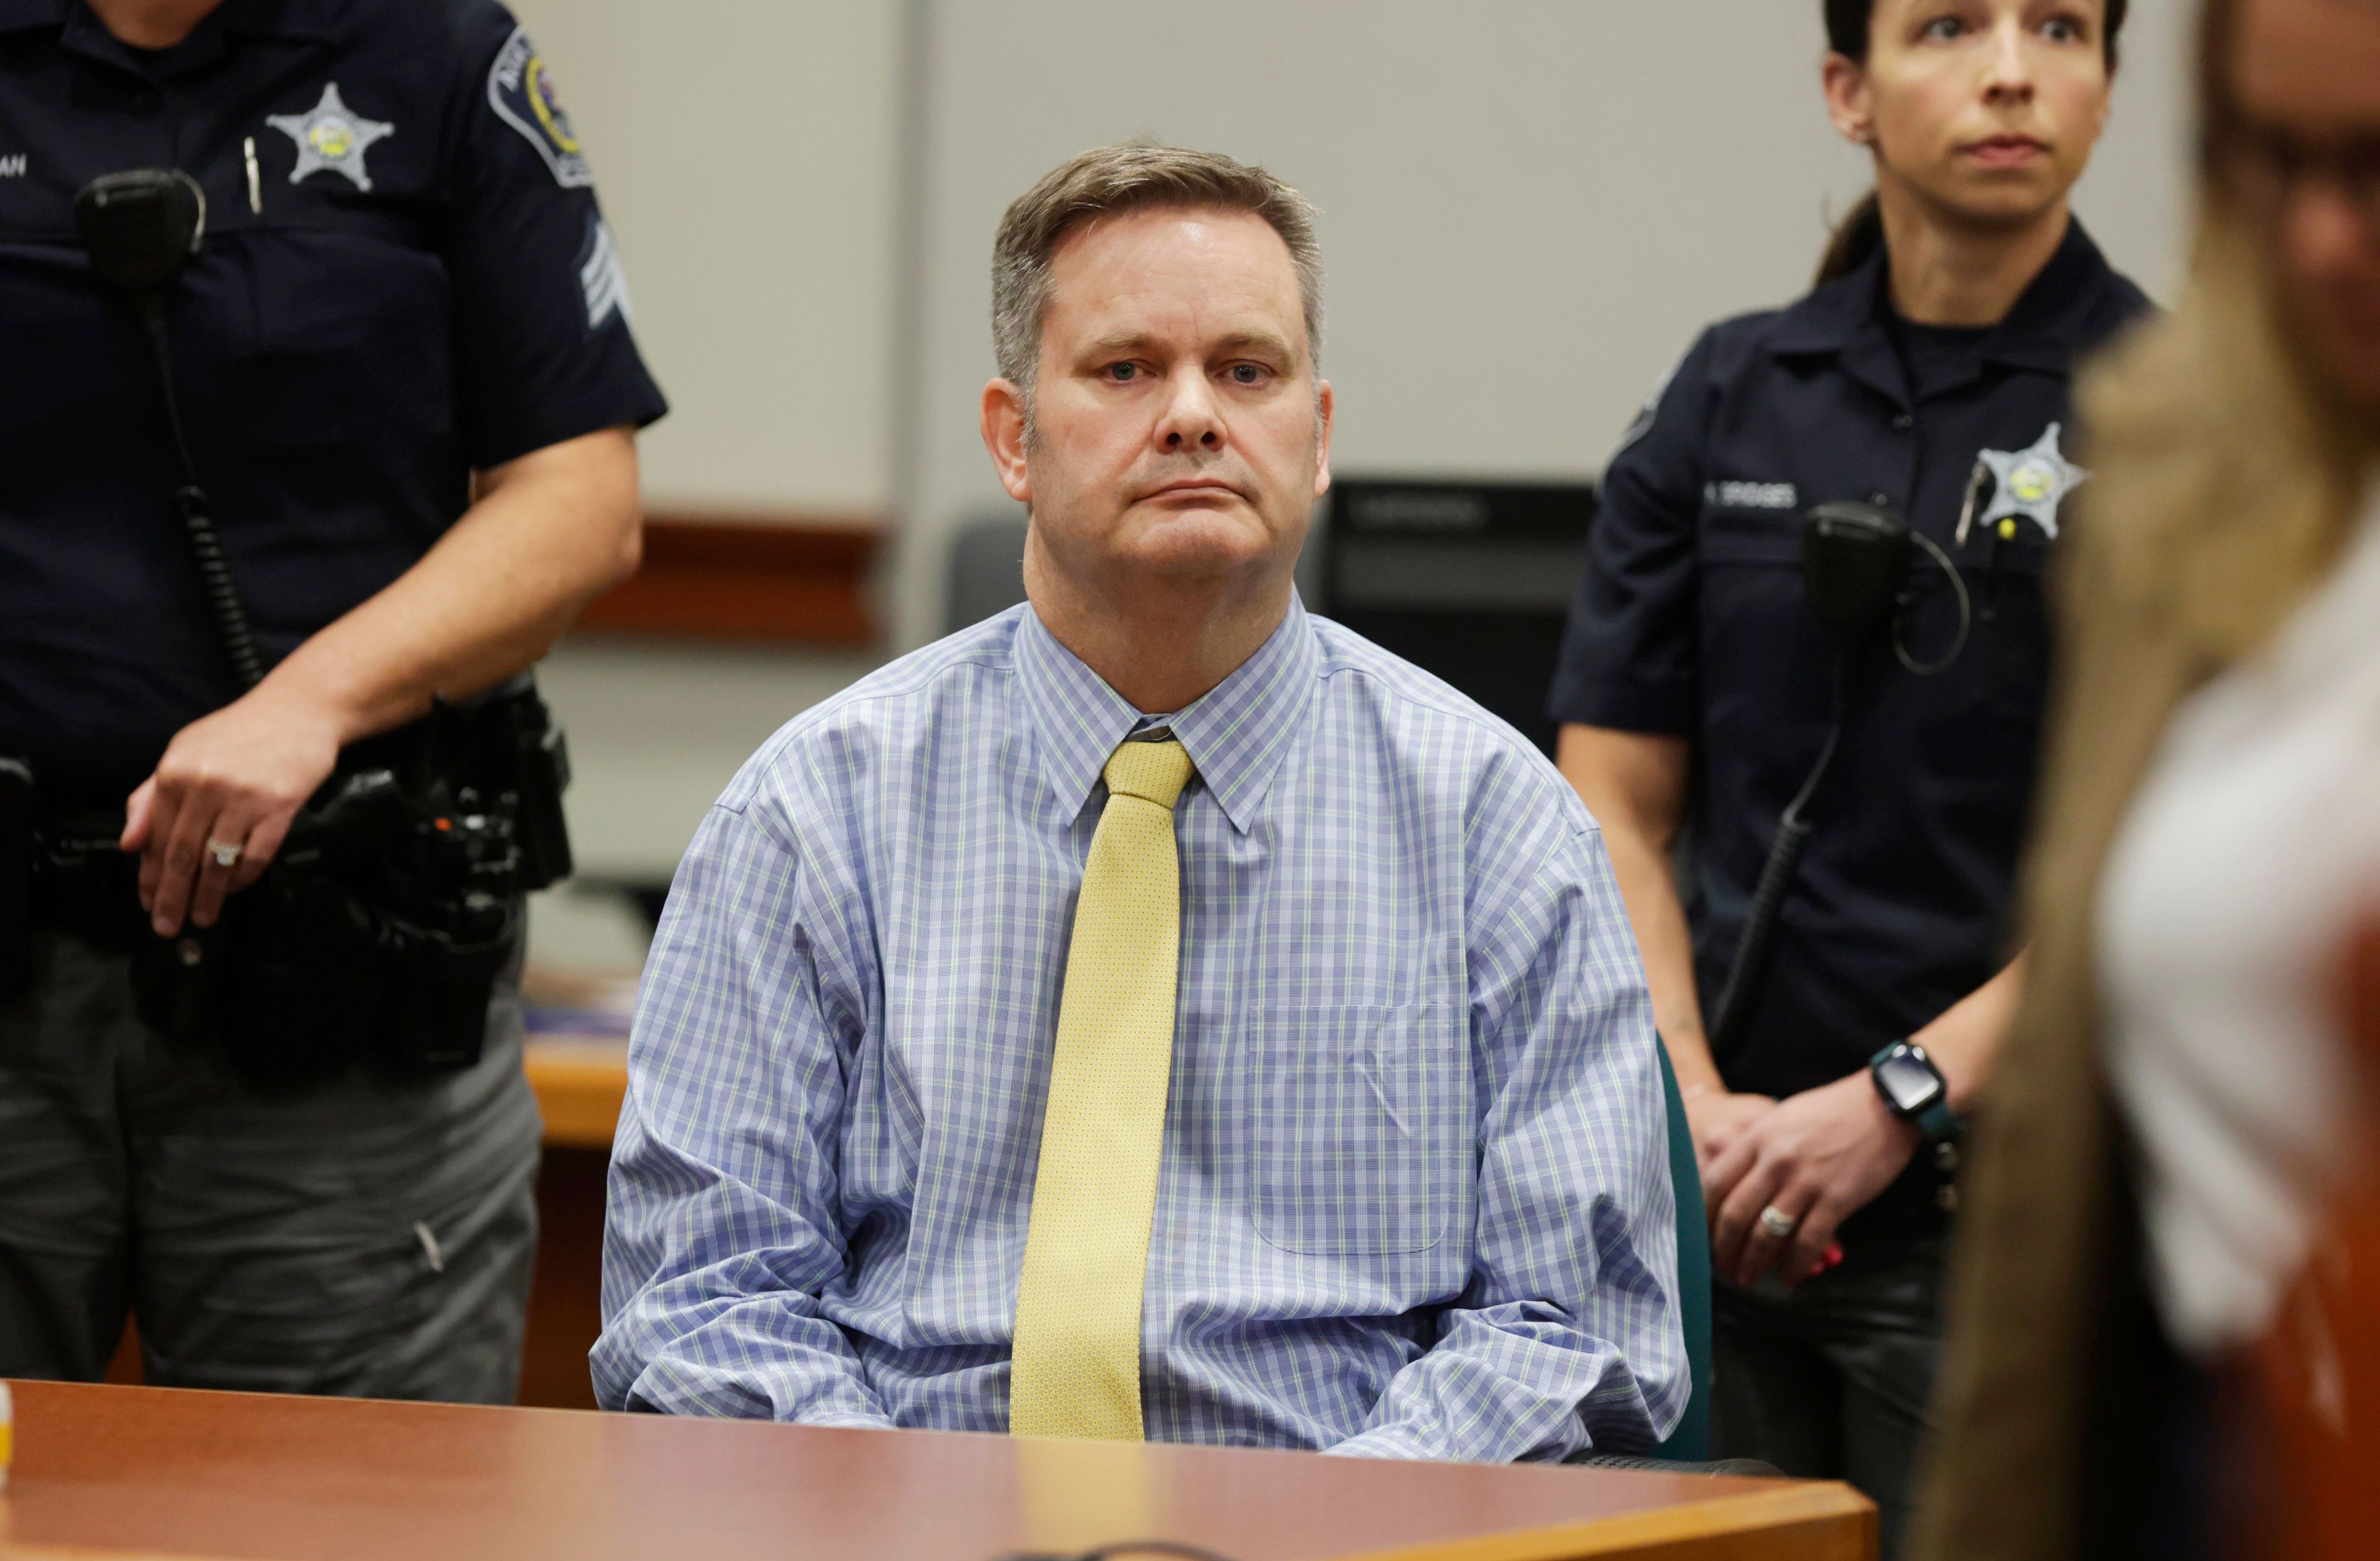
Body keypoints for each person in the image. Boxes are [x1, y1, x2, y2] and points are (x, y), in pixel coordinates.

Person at [596, 143, 1685, 1461]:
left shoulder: (1496, 827)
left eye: (1246, 370)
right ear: (1013, 436)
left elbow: (1578, 1327)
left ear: (1319, 432)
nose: (1191, 415)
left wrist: (1331, 1547)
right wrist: (899, 1538)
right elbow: (701, 1302)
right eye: (1125, 370)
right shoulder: (814, 811)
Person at [1545, 0, 2144, 1561]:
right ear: (1845, 91)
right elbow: (1612, 790)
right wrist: (1690, 1105)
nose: (2012, 68)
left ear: (2107, 87)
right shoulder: (1731, 390)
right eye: (1950, 25)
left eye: (2063, 28)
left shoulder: (2182, 412)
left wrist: (1895, 1102)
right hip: (1716, 1204)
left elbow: (2167, 857)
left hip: (2001, 1226)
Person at [0, 0, 665, 1401]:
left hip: (330, 979)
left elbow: (581, 499)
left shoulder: (433, 55)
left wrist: (307, 701)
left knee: (338, 1532)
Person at [1910, 0, 2380, 1561]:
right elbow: (2063, 1155)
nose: (2321, 238)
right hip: (2209, 1470)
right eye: (2272, 160)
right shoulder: (2176, 458)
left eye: (2377, 166)